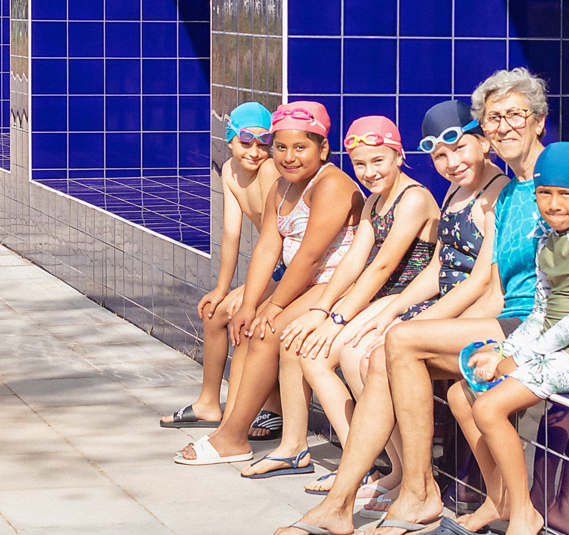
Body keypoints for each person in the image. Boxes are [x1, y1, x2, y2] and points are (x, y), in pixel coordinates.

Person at [375, 68, 569, 535]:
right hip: (521, 320)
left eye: (516, 114)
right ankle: (500, 501)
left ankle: (419, 491)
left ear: (539, 120)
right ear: (484, 130)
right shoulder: (509, 196)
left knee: (403, 341)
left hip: (558, 329)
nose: (505, 125)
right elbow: (492, 285)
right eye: (493, 118)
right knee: (456, 386)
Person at [273, 99, 506, 535]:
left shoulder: (491, 197)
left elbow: (477, 282)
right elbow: (438, 267)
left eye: (459, 149)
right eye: (439, 154)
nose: (451, 163)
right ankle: (384, 481)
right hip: (429, 302)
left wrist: (364, 318)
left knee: (369, 352)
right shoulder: (454, 192)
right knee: (337, 350)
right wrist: (380, 311)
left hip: (469, 311)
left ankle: (402, 486)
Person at [174, 100, 361, 475]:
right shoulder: (281, 186)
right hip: (308, 282)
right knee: (247, 326)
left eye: (300, 148)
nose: (289, 157)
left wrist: (272, 306)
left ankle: (234, 436)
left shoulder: (332, 185)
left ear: (323, 149)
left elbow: (309, 257)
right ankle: (234, 430)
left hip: (339, 284)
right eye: (281, 147)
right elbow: (267, 247)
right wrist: (249, 305)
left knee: (266, 330)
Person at [458, 142, 569, 535]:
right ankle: (502, 501)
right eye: (544, 193)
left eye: (566, 194)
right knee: (461, 394)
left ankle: (524, 511)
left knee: (488, 409)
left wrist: (519, 359)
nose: (554, 203)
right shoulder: (550, 238)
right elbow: (540, 311)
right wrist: (506, 348)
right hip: (554, 348)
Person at [277, 117, 438, 515]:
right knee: (311, 355)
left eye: (379, 160)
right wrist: (321, 309)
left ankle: (399, 473)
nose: (370, 172)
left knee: (350, 351)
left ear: (399, 154)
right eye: (361, 164)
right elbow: (352, 262)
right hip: (380, 299)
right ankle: (367, 462)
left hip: (411, 301)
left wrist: (337, 319)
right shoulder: (372, 201)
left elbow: (383, 267)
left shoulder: (414, 199)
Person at [160, 101, 281, 435]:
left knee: (244, 317)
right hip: (274, 265)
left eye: (263, 144)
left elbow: (277, 238)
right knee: (214, 312)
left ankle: (262, 411)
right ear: (229, 140)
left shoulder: (271, 172)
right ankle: (208, 403)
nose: (255, 152)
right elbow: (231, 233)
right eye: (246, 142)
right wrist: (221, 288)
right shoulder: (229, 170)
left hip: (290, 264)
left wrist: (250, 296)